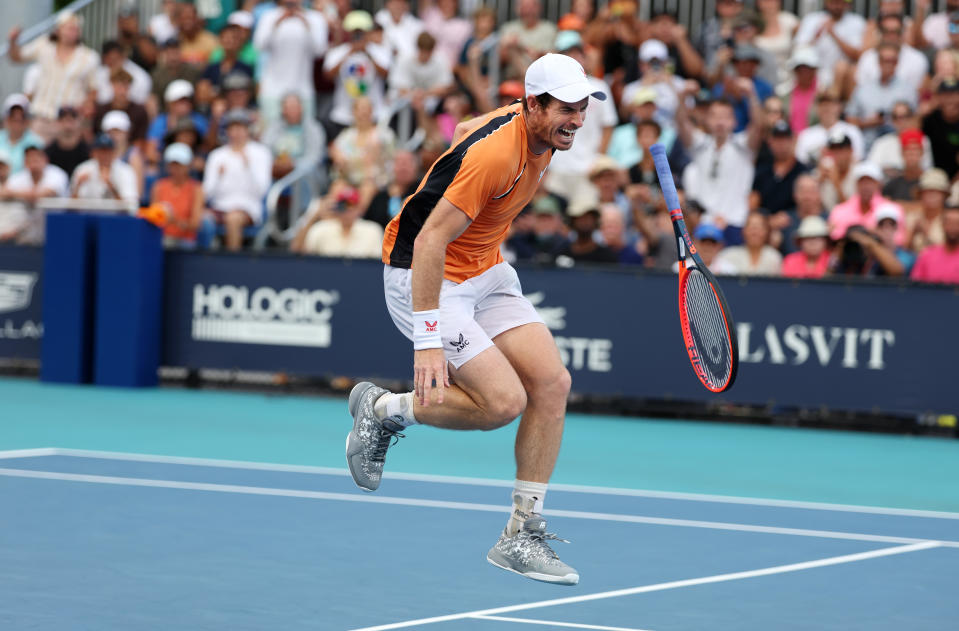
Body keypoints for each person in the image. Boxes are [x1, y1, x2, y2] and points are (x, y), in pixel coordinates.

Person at [346, 53, 609, 585]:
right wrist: (427, 342)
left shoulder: (529, 121)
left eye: (582, 108)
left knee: (553, 384)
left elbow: (467, 125)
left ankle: (520, 533)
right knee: (502, 403)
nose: (577, 120)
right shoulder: (495, 159)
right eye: (567, 109)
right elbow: (428, 240)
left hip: (485, 270)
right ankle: (383, 409)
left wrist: (455, 156)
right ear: (534, 105)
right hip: (425, 274)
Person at [678, 80, 763, 245]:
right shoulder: (699, 145)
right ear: (707, 120)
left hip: (734, 222)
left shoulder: (743, 146)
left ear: (734, 122)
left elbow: (758, 126)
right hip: (703, 224)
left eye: (725, 117)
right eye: (715, 116)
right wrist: (682, 97)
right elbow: (682, 124)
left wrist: (752, 95)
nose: (720, 122)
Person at [543, 31, 617, 202]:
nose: (573, 58)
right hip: (555, 170)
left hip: (588, 170)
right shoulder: (548, 89)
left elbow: (608, 127)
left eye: (577, 52)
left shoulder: (599, 87)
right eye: (567, 54)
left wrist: (598, 161)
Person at [6, 12, 100, 140]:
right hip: (41, 118)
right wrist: (13, 41)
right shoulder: (44, 45)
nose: (72, 32)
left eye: (75, 28)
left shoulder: (89, 57)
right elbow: (17, 57)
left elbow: (93, 90)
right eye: (68, 28)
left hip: (69, 122)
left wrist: (84, 108)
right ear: (58, 30)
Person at [202, 109, 273, 251]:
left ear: (248, 130)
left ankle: (231, 265)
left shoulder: (261, 153)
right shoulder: (216, 155)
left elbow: (261, 191)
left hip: (248, 207)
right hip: (219, 207)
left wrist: (249, 167)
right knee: (200, 218)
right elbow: (206, 193)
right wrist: (218, 177)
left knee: (233, 219)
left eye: (240, 128)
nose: (236, 133)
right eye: (232, 128)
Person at [253, 0, 329, 124]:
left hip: (304, 91)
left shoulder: (316, 18)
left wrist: (306, 24)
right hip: (272, 90)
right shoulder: (269, 16)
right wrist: (277, 23)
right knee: (270, 134)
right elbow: (259, 46)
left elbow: (319, 51)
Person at [0, 143, 69, 245]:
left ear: (45, 160)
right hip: (29, 234)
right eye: (29, 158)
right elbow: (3, 192)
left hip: (57, 230)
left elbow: (43, 194)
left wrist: (16, 194)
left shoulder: (57, 174)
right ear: (25, 162)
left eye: (37, 158)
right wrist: (27, 194)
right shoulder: (19, 177)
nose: (33, 162)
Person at [290, 185, 384, 257]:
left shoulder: (372, 230)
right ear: (336, 206)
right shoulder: (321, 228)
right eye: (343, 205)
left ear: (359, 208)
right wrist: (314, 215)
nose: (348, 210)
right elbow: (297, 250)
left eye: (352, 205)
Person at [828, 161, 906, 244]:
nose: (866, 186)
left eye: (870, 181)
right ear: (856, 184)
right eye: (862, 181)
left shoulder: (893, 209)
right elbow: (833, 237)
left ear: (879, 183)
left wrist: (874, 234)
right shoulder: (839, 210)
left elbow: (900, 239)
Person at [152, 142, 204, 248]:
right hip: (161, 239)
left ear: (188, 166)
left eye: (179, 165)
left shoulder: (196, 189)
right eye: (173, 164)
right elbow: (153, 217)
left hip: (185, 242)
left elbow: (195, 224)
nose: (176, 169)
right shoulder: (159, 186)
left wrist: (174, 220)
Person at [70, 133, 139, 205]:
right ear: (93, 152)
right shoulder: (83, 169)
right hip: (88, 215)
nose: (104, 155)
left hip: (116, 215)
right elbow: (71, 207)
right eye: (100, 151)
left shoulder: (125, 171)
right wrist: (78, 186)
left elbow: (131, 207)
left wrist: (111, 186)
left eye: (107, 151)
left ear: (114, 152)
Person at [714, 211, 783, 275]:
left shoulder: (774, 257)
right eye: (751, 227)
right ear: (743, 231)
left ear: (767, 232)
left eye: (759, 227)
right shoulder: (727, 255)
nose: (755, 232)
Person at [556, 196, 618, 264]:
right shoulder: (561, 253)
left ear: (596, 222)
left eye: (588, 217)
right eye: (580, 217)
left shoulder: (607, 257)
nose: (584, 222)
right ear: (572, 221)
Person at [921, 78, 959, 181]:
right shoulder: (930, 120)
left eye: (954, 94)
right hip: (932, 175)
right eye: (945, 95)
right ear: (938, 97)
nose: (950, 99)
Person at [910, 206, 959, 283]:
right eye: (949, 223)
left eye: (957, 223)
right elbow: (915, 287)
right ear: (943, 225)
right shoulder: (927, 254)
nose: (953, 228)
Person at [0, 95, 45, 174]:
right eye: (12, 116)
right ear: (6, 118)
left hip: (24, 185)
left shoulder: (37, 143)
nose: (17, 119)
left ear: (27, 120)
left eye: (21, 116)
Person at [44, 107, 90, 178]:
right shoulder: (48, 152)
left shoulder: (87, 150)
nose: (68, 125)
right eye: (64, 121)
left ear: (78, 123)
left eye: (71, 121)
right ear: (57, 123)